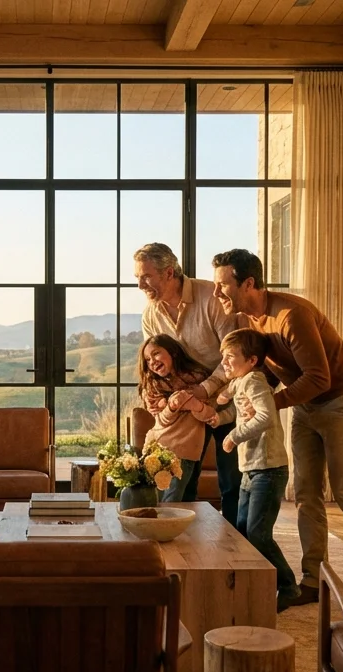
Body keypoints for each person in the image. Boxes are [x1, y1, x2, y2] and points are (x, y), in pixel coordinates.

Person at [210, 249, 343, 612]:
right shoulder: (253, 321)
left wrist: (271, 404)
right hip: (306, 404)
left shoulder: (290, 315)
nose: (218, 294)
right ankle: (312, 579)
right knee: (307, 494)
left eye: (222, 286)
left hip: (341, 399)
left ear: (248, 283)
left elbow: (320, 376)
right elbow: (265, 372)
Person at [134, 243, 242, 519]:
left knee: (232, 483)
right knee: (184, 483)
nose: (140, 285)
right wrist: (150, 393)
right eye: (138, 278)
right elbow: (152, 362)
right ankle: (187, 545)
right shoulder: (151, 314)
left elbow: (233, 355)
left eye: (146, 277)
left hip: (225, 397)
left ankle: (237, 548)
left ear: (168, 272)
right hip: (184, 413)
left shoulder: (211, 298)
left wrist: (204, 389)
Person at [209, 328, 300, 612]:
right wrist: (219, 413)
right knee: (242, 530)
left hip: (268, 469)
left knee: (258, 534)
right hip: (251, 469)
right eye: (222, 356)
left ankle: (288, 586)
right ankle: (256, 585)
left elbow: (265, 416)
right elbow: (236, 408)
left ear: (251, 360)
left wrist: (233, 436)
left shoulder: (255, 381)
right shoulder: (242, 381)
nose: (224, 362)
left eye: (230, 356)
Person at [135, 335, 213, 502]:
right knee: (167, 502)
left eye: (156, 354)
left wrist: (177, 403)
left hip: (188, 451)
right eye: (148, 359)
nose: (152, 361)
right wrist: (173, 405)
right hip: (161, 447)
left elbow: (209, 411)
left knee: (186, 500)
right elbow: (163, 420)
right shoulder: (153, 386)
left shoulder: (201, 379)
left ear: (173, 353)